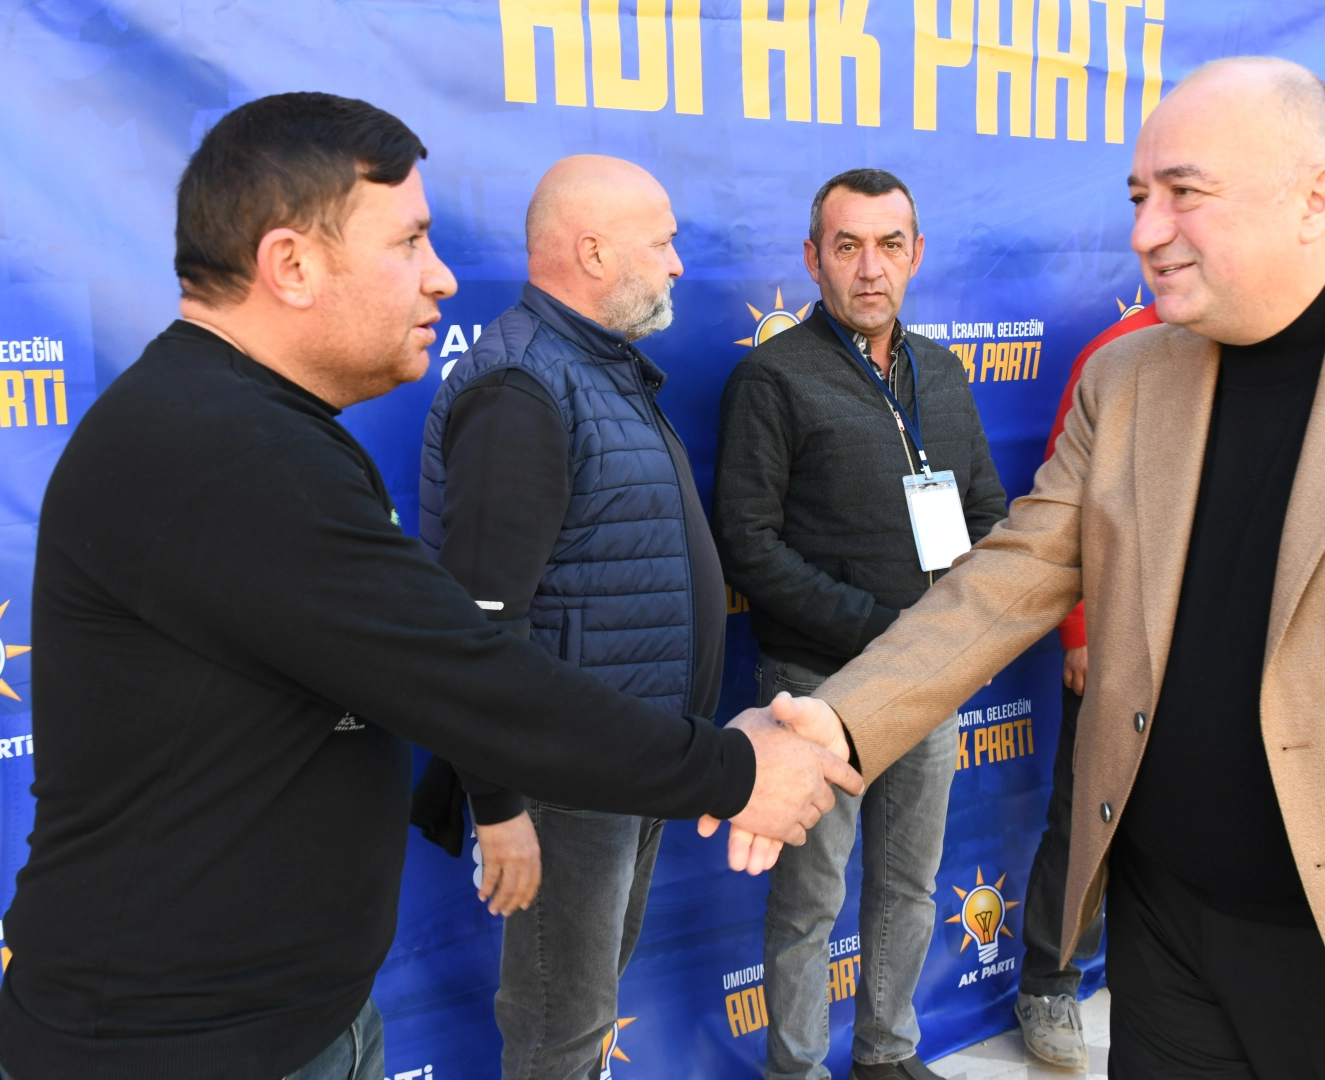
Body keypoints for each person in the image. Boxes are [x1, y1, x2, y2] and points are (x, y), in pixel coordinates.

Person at [759, 57, 1325, 1079]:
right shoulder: (1127, 380)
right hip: (1164, 937)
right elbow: (1008, 577)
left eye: (1184, 194)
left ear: (1317, 199)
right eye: (1138, 197)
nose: (1144, 232)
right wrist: (842, 721)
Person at [0, 93, 860, 1080]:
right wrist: (735, 771)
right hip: (181, 1047)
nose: (444, 277)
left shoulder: (260, 430)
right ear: (291, 265)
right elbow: (470, 671)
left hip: (295, 1017)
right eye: (409, 241)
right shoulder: (222, 449)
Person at [410, 154, 722, 1080]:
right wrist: (499, 804)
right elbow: (478, 625)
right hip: (564, 780)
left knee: (586, 1016)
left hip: (628, 759)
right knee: (560, 1028)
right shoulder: (521, 385)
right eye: (661, 242)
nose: (676, 264)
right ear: (592, 252)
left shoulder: (596, 365)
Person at [711, 168, 1007, 1080]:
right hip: (813, 692)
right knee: (808, 904)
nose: (868, 268)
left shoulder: (942, 372)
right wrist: (888, 634)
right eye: (847, 247)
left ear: (915, 255)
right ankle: (797, 1070)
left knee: (909, 885)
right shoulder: (772, 378)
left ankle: (887, 1055)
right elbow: (747, 545)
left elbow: (987, 512)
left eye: (888, 245)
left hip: (925, 687)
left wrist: (951, 640)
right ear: (813, 259)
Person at [1013, 300, 1158, 1070]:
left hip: (1227, 649)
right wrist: (1078, 629)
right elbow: (1062, 512)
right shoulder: (1117, 355)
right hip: (1117, 640)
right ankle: (1049, 983)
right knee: (1084, 822)